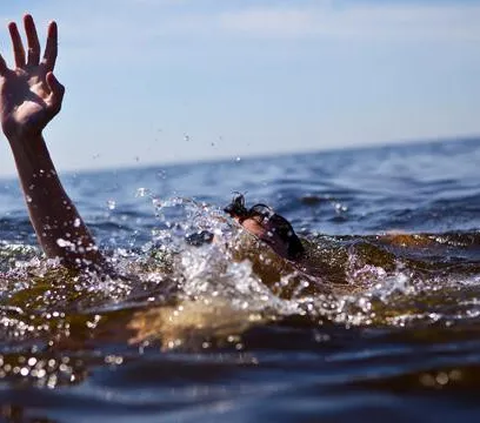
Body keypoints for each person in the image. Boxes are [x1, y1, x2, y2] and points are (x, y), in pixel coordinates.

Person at [1, 15, 309, 276]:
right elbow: (82, 267)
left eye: (256, 246)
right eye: (227, 240)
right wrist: (25, 140)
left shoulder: (309, 302)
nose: (233, 251)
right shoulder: (168, 290)